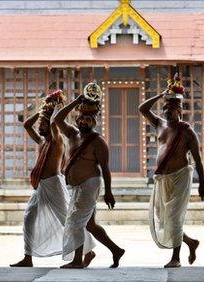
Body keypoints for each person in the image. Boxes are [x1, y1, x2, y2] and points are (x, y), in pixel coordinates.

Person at [10, 90, 95, 267]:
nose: (39, 126)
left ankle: (89, 251)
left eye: (43, 124)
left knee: (68, 221)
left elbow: (56, 120)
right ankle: (28, 257)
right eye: (40, 124)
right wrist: (41, 112)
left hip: (54, 185)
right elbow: (26, 125)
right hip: (40, 186)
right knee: (29, 218)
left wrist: (53, 109)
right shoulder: (42, 141)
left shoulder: (57, 139)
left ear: (49, 125)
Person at [138, 74, 204, 268]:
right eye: (165, 107)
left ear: (180, 110)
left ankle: (175, 257)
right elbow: (142, 108)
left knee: (174, 217)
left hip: (181, 177)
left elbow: (198, 160)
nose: (167, 110)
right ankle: (191, 243)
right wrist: (161, 95)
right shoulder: (160, 124)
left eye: (171, 107)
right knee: (164, 219)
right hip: (162, 178)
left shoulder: (187, 132)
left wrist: (202, 184)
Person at [54, 82, 125, 269]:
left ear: (94, 121)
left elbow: (105, 169)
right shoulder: (72, 134)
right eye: (82, 118)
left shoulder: (98, 142)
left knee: (75, 222)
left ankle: (77, 260)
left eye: (88, 119)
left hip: (90, 185)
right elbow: (57, 119)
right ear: (77, 119)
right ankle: (116, 250)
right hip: (76, 188)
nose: (84, 121)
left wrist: (109, 192)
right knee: (90, 225)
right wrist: (75, 101)